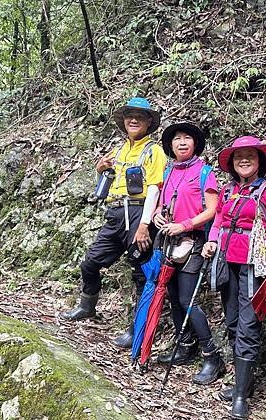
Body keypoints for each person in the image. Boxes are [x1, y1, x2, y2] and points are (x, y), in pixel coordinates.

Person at [61, 97, 167, 348]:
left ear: (148, 122)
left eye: (139, 117)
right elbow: (109, 180)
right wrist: (100, 169)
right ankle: (87, 306)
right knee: (90, 263)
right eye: (129, 116)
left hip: (139, 213)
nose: (133, 120)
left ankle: (135, 330)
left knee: (141, 274)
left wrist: (144, 224)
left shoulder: (154, 150)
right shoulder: (119, 150)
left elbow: (154, 188)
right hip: (115, 213)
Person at [202, 136, 266, 420]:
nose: (244, 160)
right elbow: (218, 222)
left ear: (260, 161)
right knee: (233, 323)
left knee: (249, 327)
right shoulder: (228, 191)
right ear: (232, 163)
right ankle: (243, 384)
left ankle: (240, 397)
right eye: (239, 157)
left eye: (250, 155)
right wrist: (211, 241)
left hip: (256, 268)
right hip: (227, 263)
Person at [152, 122, 225, 384]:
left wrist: (184, 224)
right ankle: (185, 345)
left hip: (192, 243)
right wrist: (157, 216)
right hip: (168, 243)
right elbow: (161, 203)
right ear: (170, 145)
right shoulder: (169, 171)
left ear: (195, 144)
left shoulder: (204, 172)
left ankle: (211, 355)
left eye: (187, 138)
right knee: (172, 296)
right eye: (176, 139)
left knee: (187, 299)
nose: (182, 142)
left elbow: (212, 210)